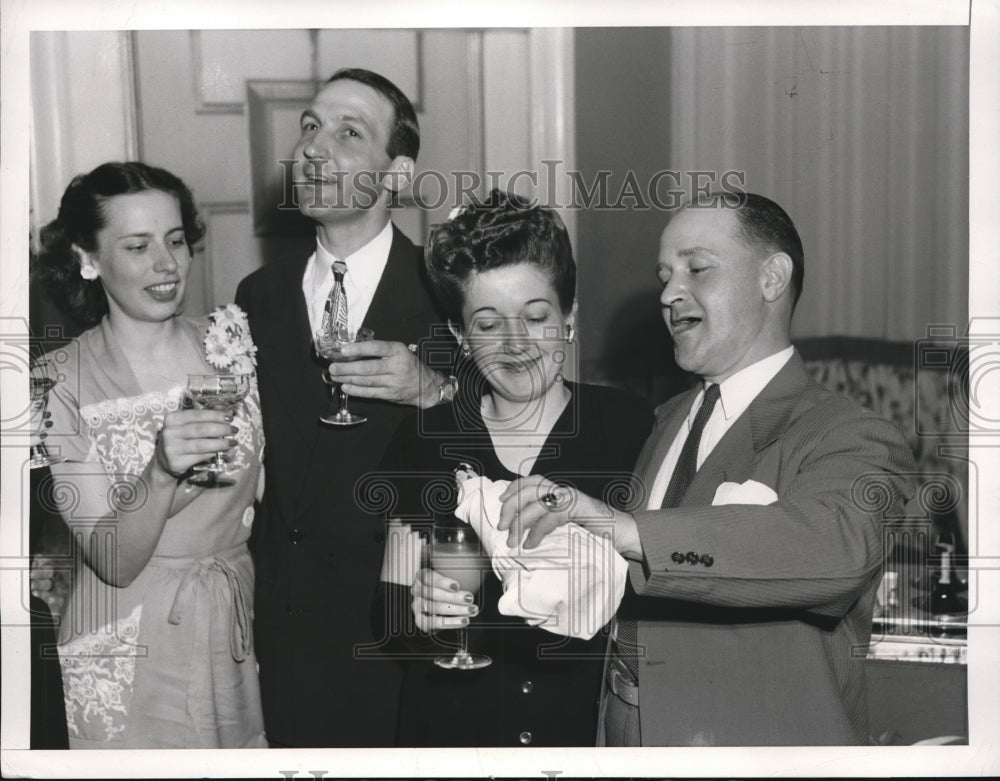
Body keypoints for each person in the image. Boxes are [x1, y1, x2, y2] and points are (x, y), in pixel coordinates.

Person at [496, 192, 917, 746]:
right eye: (664, 276)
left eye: (696, 268)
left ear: (772, 278)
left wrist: (629, 530)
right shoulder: (662, 420)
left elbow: (839, 549)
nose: (669, 293)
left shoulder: (850, 433)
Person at [374, 191, 653, 747]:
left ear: (569, 317)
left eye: (536, 317)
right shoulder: (422, 442)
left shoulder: (631, 428)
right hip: (454, 741)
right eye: (487, 324)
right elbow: (389, 614)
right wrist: (416, 613)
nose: (515, 344)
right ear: (460, 337)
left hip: (581, 740)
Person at [234, 68, 457, 747]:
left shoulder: (449, 292)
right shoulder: (257, 295)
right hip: (282, 631)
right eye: (310, 127)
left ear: (398, 174)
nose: (312, 148)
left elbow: (520, 435)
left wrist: (437, 391)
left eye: (348, 133)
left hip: (401, 628)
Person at [36, 161, 266, 748]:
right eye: (138, 247)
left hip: (231, 629)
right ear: (88, 259)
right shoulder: (58, 381)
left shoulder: (230, 342)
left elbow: (263, 490)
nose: (167, 265)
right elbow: (112, 560)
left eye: (176, 240)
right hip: (125, 646)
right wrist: (161, 472)